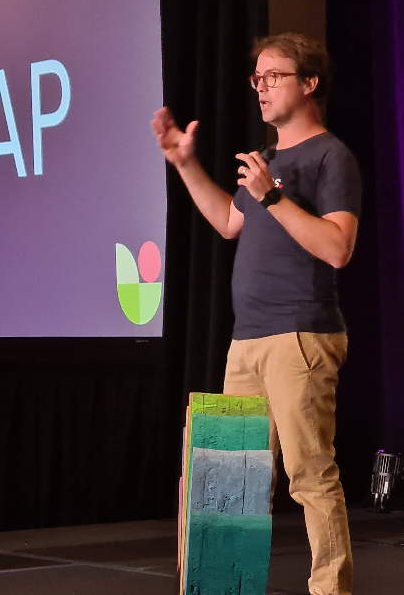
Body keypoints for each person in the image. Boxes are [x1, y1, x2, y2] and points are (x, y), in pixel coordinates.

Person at [152, 32, 359, 595]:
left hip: (300, 337)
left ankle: (330, 589)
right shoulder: (265, 161)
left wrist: (273, 197)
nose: (262, 88)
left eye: (274, 76)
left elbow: (338, 248)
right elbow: (228, 221)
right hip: (246, 341)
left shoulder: (330, 157)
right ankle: (225, 586)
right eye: (257, 79)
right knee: (233, 478)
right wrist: (186, 164)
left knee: (309, 474)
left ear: (309, 83)